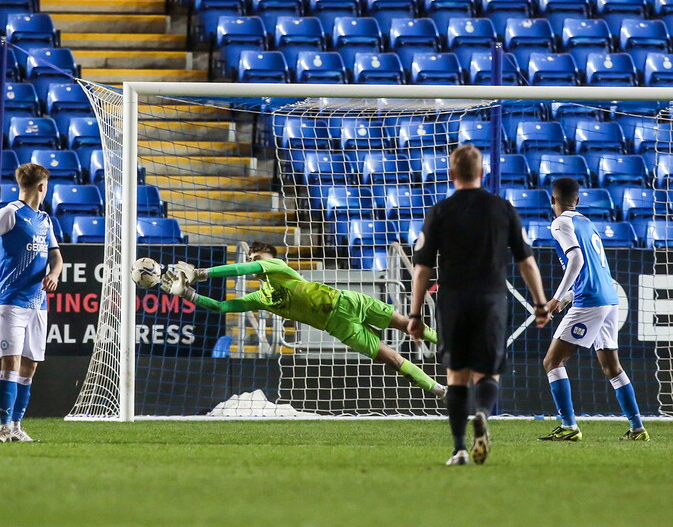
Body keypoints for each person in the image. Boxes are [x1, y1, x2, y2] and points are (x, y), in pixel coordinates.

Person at [408, 144, 550, 467]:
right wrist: (540, 303)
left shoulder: (440, 212)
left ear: (451, 174)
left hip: (453, 302)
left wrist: (415, 315)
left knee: (456, 377)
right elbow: (527, 262)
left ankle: (459, 450)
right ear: (482, 173)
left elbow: (421, 270)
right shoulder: (502, 208)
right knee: (487, 374)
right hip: (491, 301)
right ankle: (483, 413)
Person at [160, 242, 447, 399]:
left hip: (348, 300)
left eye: (257, 257)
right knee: (393, 359)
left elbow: (241, 267)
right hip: (339, 325)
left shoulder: (277, 266)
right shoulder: (262, 298)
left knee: (407, 324)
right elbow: (222, 306)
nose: (254, 261)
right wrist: (187, 293)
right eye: (253, 256)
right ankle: (439, 390)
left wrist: (201, 273)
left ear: (268, 258)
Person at [538, 177, 649, 442]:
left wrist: (554, 299)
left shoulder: (560, 223)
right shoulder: (587, 223)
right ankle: (637, 429)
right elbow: (593, 270)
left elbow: (576, 259)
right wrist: (565, 300)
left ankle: (568, 426)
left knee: (552, 362)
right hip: (610, 298)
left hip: (590, 300)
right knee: (612, 366)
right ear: (577, 201)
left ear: (553, 200)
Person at [0, 163, 63, 442]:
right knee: (11, 362)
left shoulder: (45, 220)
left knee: (29, 365)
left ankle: (16, 426)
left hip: (38, 303)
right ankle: (4, 427)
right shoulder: (10, 212)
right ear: (42, 186)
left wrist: (53, 274)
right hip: (11, 301)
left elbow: (57, 257)